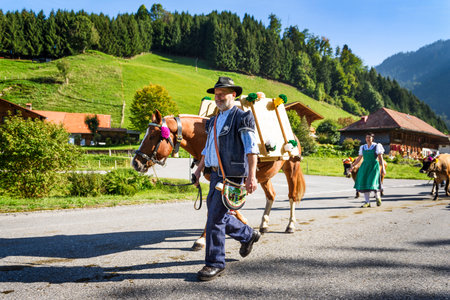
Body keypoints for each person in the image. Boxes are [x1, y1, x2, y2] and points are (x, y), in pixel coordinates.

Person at [193, 76, 260, 281]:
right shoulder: (212, 120)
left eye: (223, 93)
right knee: (216, 215)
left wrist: (252, 176)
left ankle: (215, 263)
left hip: (232, 176)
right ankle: (248, 235)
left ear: (234, 95)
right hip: (215, 175)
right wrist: (199, 169)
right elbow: (207, 148)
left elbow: (251, 148)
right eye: (216, 93)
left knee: (214, 218)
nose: (219, 97)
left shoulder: (242, 117)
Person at [349, 132, 386, 208]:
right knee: (365, 183)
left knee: (373, 182)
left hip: (374, 166)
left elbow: (380, 158)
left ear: (373, 138)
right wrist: (352, 166)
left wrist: (383, 168)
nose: (368, 139)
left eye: (369, 137)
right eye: (367, 137)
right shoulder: (363, 147)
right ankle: (367, 202)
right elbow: (359, 158)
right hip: (365, 167)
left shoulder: (377, 146)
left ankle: (377, 197)